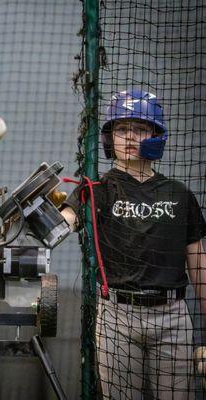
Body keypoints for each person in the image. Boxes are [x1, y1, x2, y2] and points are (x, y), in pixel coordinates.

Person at [60, 89, 206, 399]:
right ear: (110, 137)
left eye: (139, 129)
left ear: (155, 136)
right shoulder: (97, 188)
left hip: (173, 316)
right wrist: (52, 217)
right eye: (121, 128)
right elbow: (66, 219)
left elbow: (198, 263)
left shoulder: (178, 194)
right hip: (116, 316)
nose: (129, 137)